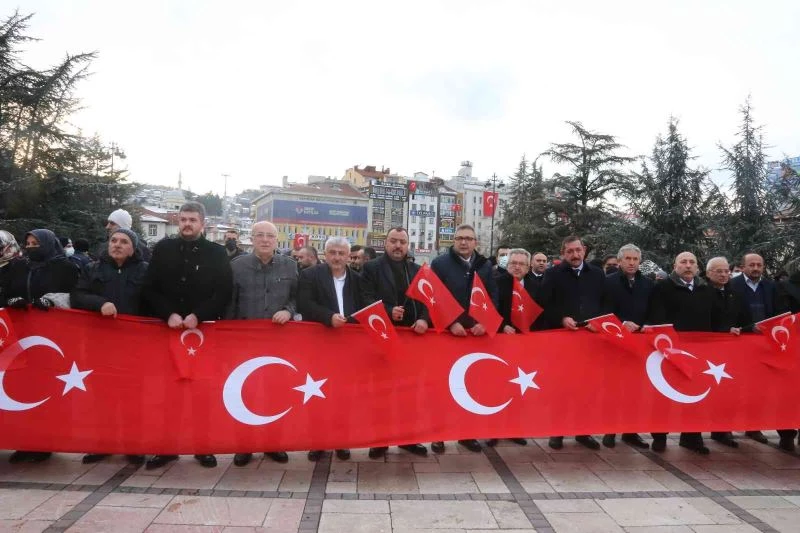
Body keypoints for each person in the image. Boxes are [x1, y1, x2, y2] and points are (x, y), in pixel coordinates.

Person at [141, 201, 233, 470]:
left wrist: (199, 315)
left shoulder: (216, 253)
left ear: (202, 223)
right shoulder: (164, 249)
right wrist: (167, 313)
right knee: (169, 392)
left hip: (202, 332)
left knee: (202, 392)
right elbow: (150, 288)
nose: (187, 224)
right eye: (183, 220)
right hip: (168, 330)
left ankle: (202, 447)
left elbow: (224, 291)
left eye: (192, 220)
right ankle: (167, 447)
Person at [71, 228, 149, 465]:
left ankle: (132, 445)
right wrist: (100, 303)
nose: (117, 244)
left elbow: (154, 299)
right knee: (102, 396)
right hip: (100, 344)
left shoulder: (145, 271)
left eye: (124, 241)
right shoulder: (93, 268)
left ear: (133, 248)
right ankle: (102, 444)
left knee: (132, 397)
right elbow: (77, 295)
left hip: (133, 345)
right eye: (113, 240)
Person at [2, 229, 79, 464]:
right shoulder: (19, 266)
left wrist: (51, 301)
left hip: (54, 338)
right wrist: (10, 301)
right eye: (28, 243)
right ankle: (26, 442)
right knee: (23, 387)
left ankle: (47, 442)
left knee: (49, 389)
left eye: (36, 243)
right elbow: (6, 290)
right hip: (21, 338)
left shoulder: (64, 267)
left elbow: (75, 295)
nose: (31, 247)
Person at [226, 221, 297, 466]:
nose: (265, 240)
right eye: (260, 236)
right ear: (252, 238)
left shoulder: (290, 265)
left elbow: (298, 297)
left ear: (277, 240)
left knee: (276, 393)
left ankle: (273, 444)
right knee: (245, 392)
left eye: (270, 236)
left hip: (278, 342)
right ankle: (244, 445)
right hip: (245, 344)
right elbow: (229, 304)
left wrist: (289, 310)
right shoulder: (237, 266)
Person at [360, 227, 429, 459]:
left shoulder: (416, 270)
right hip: (382, 338)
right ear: (385, 243)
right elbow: (365, 298)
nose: (398, 246)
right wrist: (388, 311)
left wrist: (423, 319)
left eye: (402, 242)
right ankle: (380, 440)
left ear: (408, 245)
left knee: (410, 392)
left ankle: (408, 439)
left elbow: (428, 302)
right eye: (393, 241)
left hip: (412, 339)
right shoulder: (371, 268)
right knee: (382, 392)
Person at [430, 224, 498, 454]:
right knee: (443, 387)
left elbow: (493, 298)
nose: (463, 242)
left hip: (474, 337)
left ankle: (466, 434)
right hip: (449, 335)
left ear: (475, 242)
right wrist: (450, 323)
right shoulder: (440, 264)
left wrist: (484, 323)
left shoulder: (485, 266)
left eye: (468, 238)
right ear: (454, 241)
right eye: (459, 238)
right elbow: (434, 298)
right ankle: (439, 435)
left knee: (470, 386)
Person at [538, 236, 609, 451]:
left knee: (586, 388)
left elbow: (605, 302)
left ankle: (583, 431)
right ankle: (557, 432)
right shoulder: (552, 274)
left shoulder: (597, 274)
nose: (575, 255)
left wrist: (599, 321)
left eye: (578, 250)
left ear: (585, 251)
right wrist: (561, 318)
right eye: (570, 251)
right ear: (563, 253)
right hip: (563, 340)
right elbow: (543, 304)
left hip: (590, 340)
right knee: (561, 388)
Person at [298, 236, 364, 461]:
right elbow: (304, 304)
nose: (337, 257)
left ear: (348, 256)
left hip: (347, 346)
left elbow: (364, 307)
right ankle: (318, 442)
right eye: (333, 253)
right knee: (318, 394)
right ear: (325, 255)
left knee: (343, 394)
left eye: (341, 253)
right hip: (320, 343)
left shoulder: (357, 279)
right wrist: (328, 317)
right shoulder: (309, 276)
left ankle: (341, 440)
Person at [646, 251, 715, 455]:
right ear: (675, 265)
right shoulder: (662, 288)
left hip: (698, 350)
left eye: (692, 262)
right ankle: (660, 436)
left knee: (694, 392)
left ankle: (692, 436)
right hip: (669, 348)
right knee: (664, 393)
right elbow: (657, 315)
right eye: (683, 262)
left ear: (697, 267)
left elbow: (712, 318)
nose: (688, 265)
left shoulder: (705, 289)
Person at [728, 252, 785, 446]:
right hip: (740, 343)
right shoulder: (732, 286)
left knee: (759, 388)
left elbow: (779, 311)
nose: (755, 268)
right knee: (735, 387)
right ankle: (724, 428)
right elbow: (728, 313)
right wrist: (744, 328)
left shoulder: (771, 287)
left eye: (759, 265)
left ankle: (754, 426)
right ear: (742, 267)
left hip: (765, 344)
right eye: (751, 265)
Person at [601, 244, 653, 450]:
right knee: (614, 389)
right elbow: (603, 310)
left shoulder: (648, 284)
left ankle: (631, 431)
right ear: (620, 261)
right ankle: (610, 430)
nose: (632, 263)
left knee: (635, 390)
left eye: (635, 259)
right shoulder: (608, 282)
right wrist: (621, 323)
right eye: (628, 259)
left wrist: (643, 326)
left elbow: (653, 310)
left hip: (639, 343)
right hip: (615, 342)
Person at [488, 247, 536, 448]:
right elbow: (488, 310)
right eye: (513, 263)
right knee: (498, 387)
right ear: (507, 265)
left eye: (521, 264)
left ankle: (514, 429)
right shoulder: (497, 282)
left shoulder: (537, 285)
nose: (517, 267)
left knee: (519, 390)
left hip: (526, 345)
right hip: (501, 342)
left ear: (528, 267)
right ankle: (494, 431)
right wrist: (502, 325)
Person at [704, 256, 752, 448]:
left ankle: (722, 430)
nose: (724, 275)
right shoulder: (702, 292)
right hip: (707, 351)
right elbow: (700, 320)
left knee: (726, 392)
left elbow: (744, 318)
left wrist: (744, 329)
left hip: (730, 351)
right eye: (719, 271)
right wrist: (723, 330)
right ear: (709, 273)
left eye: (727, 271)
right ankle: (692, 434)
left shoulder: (736, 293)